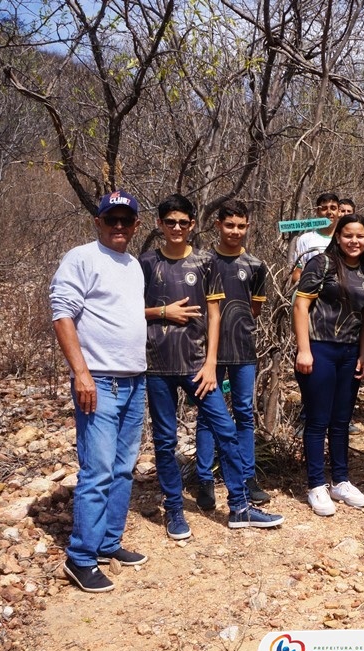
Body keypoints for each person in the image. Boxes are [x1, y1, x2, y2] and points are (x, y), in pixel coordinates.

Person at [141, 194, 283, 538]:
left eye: (183, 222)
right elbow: (125, 310)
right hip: (157, 365)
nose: (177, 228)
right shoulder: (144, 264)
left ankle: (239, 507)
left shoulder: (206, 263)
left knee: (226, 428)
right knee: (164, 440)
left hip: (196, 365)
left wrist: (210, 364)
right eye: (170, 222)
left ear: (193, 225)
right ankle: (174, 510)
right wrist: (163, 313)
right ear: (160, 225)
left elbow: (215, 315)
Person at [51, 190, 148, 593]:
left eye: (126, 220)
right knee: (98, 469)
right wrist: (81, 374)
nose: (120, 227)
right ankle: (81, 557)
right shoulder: (81, 258)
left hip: (135, 380)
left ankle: (109, 542)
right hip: (99, 382)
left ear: (136, 225)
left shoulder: (134, 265)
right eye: (112, 220)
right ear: (99, 222)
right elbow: (62, 314)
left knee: (124, 468)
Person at [293, 214, 364, 516]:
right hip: (319, 348)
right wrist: (304, 350)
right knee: (318, 419)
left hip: (351, 352)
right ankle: (316, 483)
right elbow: (301, 305)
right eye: (348, 235)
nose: (354, 241)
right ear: (337, 237)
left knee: (341, 421)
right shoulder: (321, 264)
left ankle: (340, 480)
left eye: (360, 236)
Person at [194, 200, 270, 510]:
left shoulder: (255, 265)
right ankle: (204, 480)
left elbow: (255, 309)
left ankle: (247, 479)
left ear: (248, 227)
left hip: (243, 350)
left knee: (243, 413)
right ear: (218, 226)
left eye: (241, 226)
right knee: (207, 416)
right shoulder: (202, 262)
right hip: (206, 352)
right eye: (229, 225)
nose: (235, 231)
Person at [289, 192, 339, 283]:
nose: (329, 212)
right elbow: (296, 274)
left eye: (333, 208)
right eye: (324, 208)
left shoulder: (345, 239)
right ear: (317, 212)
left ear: (338, 212)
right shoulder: (305, 239)